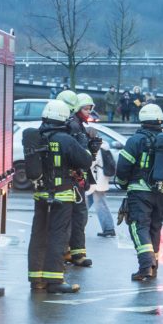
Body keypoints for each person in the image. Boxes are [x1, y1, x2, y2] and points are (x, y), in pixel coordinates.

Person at [27, 100, 93, 293]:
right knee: (58, 236)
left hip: (40, 195)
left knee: (38, 234)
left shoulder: (36, 137)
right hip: (62, 196)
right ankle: (55, 281)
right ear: (64, 119)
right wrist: (85, 146)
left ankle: (36, 279)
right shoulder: (66, 139)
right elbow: (85, 161)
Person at [115, 104, 163, 281]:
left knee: (139, 226)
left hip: (139, 191)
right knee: (155, 227)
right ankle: (154, 265)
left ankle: (145, 266)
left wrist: (123, 184)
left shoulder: (135, 141)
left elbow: (123, 167)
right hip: (162, 193)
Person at [64, 93, 102, 267]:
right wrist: (90, 151)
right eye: (86, 108)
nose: (88, 112)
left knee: (79, 217)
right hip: (74, 178)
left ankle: (75, 252)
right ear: (77, 108)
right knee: (78, 217)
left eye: (89, 109)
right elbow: (77, 154)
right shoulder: (74, 125)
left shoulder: (77, 125)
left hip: (77, 178)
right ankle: (73, 253)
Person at [89, 139, 116, 237]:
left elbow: (91, 163)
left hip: (96, 179)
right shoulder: (104, 145)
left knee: (99, 204)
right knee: (87, 202)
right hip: (101, 179)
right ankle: (76, 226)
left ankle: (109, 228)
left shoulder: (95, 147)